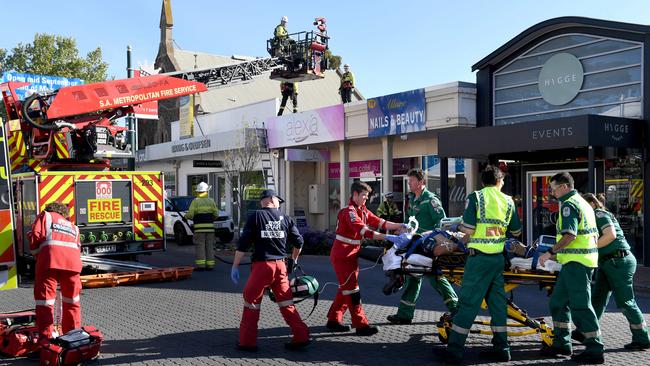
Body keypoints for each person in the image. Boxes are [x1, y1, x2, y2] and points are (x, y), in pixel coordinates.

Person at [437, 165, 521, 364]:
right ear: (500, 181)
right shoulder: (508, 201)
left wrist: (456, 231)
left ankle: (455, 349)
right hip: (497, 261)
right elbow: (516, 232)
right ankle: (502, 348)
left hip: (479, 260)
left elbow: (468, 229)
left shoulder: (477, 197)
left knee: (468, 304)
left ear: (483, 181)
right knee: (498, 305)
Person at [326, 181, 410, 336]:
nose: (366, 198)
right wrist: (390, 237)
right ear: (355, 194)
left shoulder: (362, 210)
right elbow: (364, 230)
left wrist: (400, 226)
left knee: (346, 288)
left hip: (350, 253)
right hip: (343, 254)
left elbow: (381, 222)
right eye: (364, 195)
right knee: (352, 290)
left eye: (367, 195)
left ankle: (333, 319)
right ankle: (361, 325)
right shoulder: (349, 211)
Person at [231, 189, 310, 351]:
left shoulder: (256, 216)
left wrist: (235, 266)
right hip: (281, 266)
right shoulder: (286, 218)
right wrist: (293, 260)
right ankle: (301, 336)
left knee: (251, 300)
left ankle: (247, 342)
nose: (279, 205)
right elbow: (299, 242)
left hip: (262, 266)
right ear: (272, 200)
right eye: (278, 202)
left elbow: (243, 244)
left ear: (263, 201)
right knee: (286, 302)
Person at [537, 172, 604, 364]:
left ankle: (595, 348)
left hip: (577, 263)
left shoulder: (569, 205)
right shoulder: (582, 202)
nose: (552, 192)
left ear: (565, 187)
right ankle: (561, 343)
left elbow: (570, 235)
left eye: (554, 188)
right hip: (575, 262)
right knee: (558, 303)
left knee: (581, 306)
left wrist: (550, 252)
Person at [578, 193, 649, 350]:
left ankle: (642, 338)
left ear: (592, 204)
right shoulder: (594, 215)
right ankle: (586, 332)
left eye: (582, 205)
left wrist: (588, 248)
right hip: (609, 262)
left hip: (618, 261)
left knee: (626, 301)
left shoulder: (598, 214)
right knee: (598, 298)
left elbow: (610, 236)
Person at [387, 169, 458, 325]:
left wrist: (429, 233)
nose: (409, 183)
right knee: (411, 277)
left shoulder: (431, 200)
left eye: (411, 180)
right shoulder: (412, 199)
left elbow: (442, 224)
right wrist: (402, 230)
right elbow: (410, 223)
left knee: (436, 278)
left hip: (429, 248)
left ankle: (456, 309)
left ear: (421, 182)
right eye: (409, 180)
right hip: (415, 247)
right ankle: (404, 315)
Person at [28, 201, 82, 343]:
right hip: (73, 264)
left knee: (45, 302)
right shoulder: (74, 227)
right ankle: (73, 338)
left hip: (49, 262)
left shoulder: (45, 216)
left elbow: (34, 239)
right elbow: (78, 248)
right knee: (72, 302)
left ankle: (46, 341)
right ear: (65, 214)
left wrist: (39, 255)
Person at [185, 182, 218, 271]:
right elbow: (216, 214)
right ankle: (210, 265)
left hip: (199, 229)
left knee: (200, 246)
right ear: (207, 191)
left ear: (198, 192)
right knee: (209, 246)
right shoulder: (211, 201)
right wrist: (211, 220)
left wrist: (185, 217)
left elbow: (191, 214)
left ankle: (201, 266)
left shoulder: (195, 201)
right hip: (210, 228)